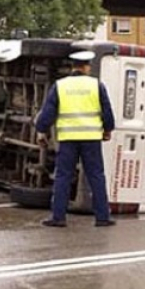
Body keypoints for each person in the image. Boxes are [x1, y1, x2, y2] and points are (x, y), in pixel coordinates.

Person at [35, 50, 116, 228]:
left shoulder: (60, 86)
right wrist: (108, 130)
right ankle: (103, 217)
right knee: (96, 176)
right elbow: (107, 111)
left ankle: (58, 217)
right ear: (86, 67)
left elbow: (47, 112)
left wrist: (41, 131)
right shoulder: (97, 85)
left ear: (73, 67)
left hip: (68, 139)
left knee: (63, 176)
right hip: (91, 138)